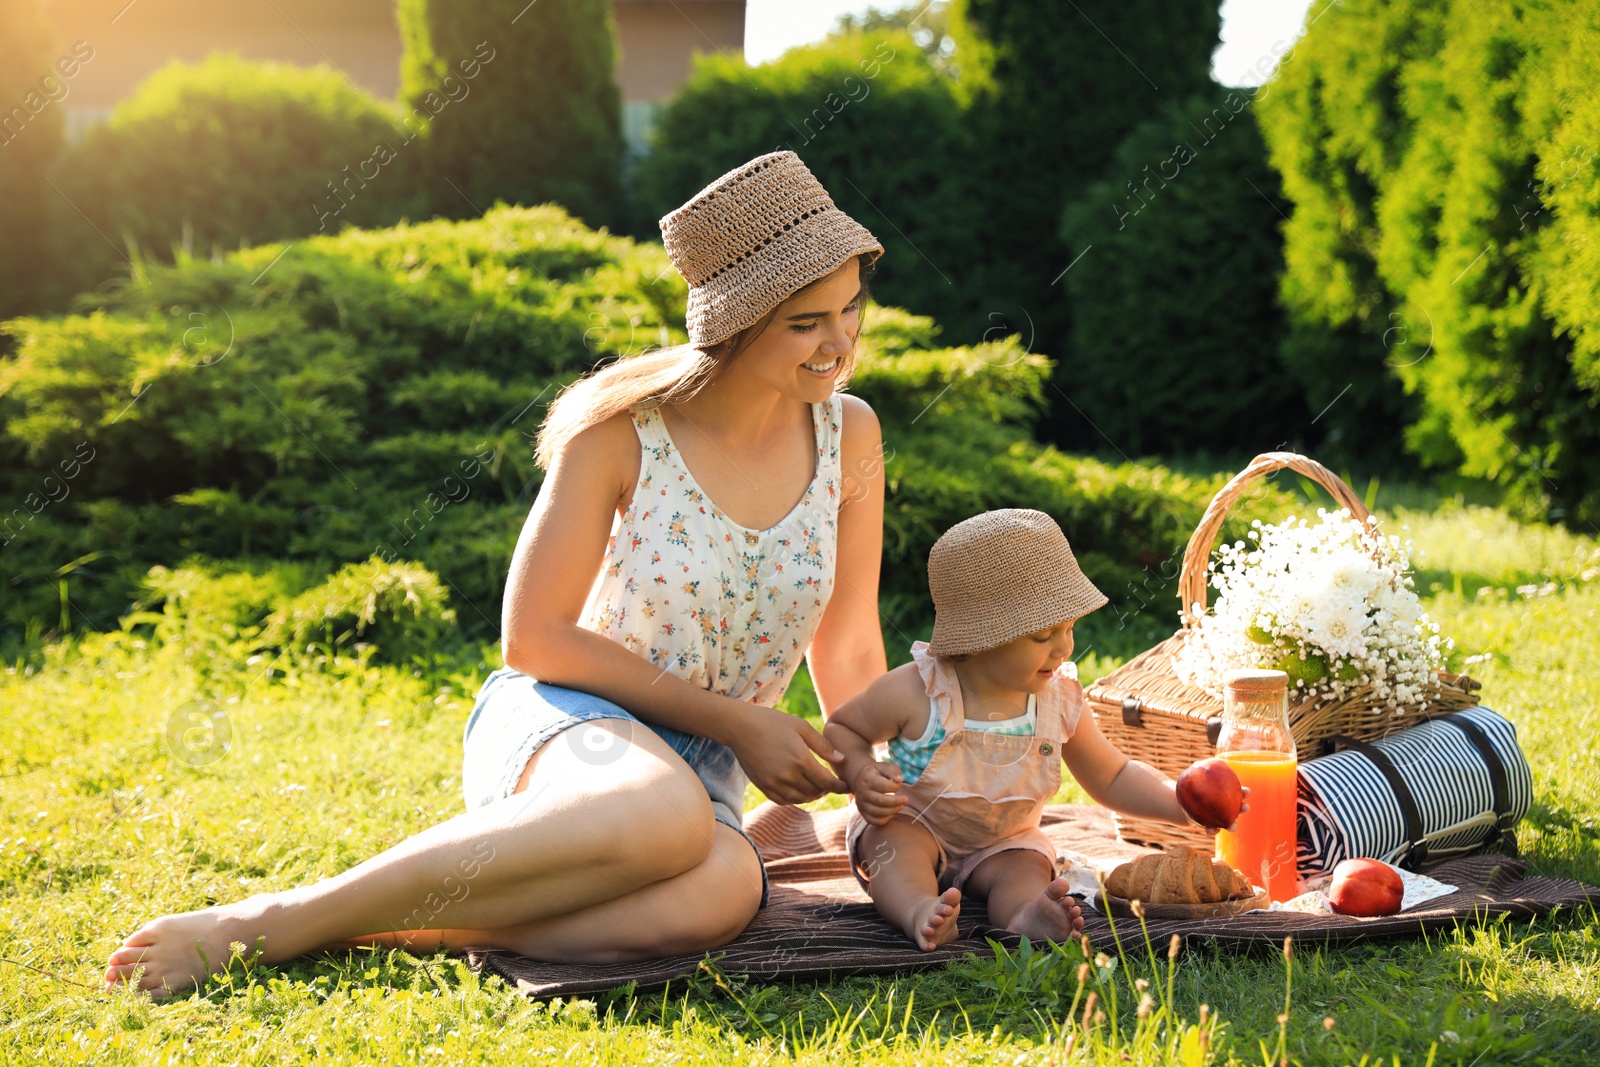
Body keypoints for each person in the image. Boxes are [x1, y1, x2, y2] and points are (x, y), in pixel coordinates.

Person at [105, 150, 893, 994]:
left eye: (850, 307)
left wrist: (881, 772)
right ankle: (273, 921)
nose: (840, 343)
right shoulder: (620, 434)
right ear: (736, 321)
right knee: (661, 813)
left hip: (702, 779)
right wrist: (736, 722)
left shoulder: (850, 433)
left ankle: (368, 928)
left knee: (729, 889)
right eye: (806, 321)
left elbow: (846, 637)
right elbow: (534, 638)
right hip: (571, 722)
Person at [825, 509, 1218, 951]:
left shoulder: (1058, 699)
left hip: (1002, 842)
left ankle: (1024, 915)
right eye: (1044, 635)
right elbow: (842, 728)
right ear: (979, 637)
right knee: (892, 846)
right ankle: (918, 909)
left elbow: (1112, 775)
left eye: (1069, 629)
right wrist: (861, 774)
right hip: (917, 822)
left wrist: (1178, 803)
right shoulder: (918, 690)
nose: (1065, 647)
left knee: (1027, 865)